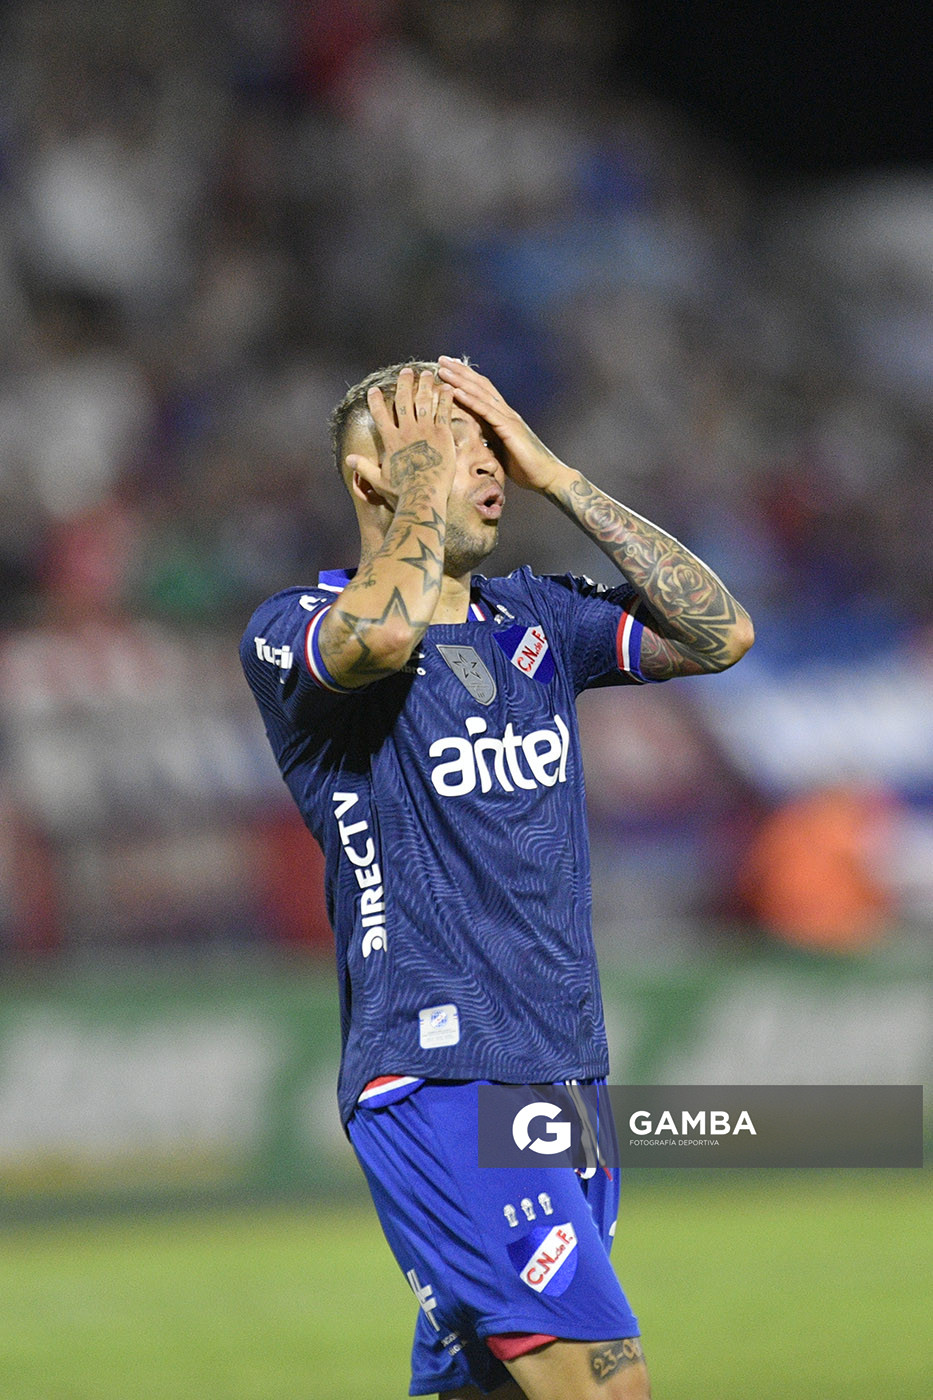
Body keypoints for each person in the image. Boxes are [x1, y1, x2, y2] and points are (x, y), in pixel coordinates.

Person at [241, 358, 754, 1399]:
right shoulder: (294, 626)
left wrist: (557, 474)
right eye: (446, 448)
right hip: (439, 1073)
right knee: (607, 1384)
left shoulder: (536, 619)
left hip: (566, 1069)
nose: (484, 470)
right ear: (371, 477)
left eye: (491, 449)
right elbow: (386, 632)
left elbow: (720, 633)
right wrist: (418, 493)